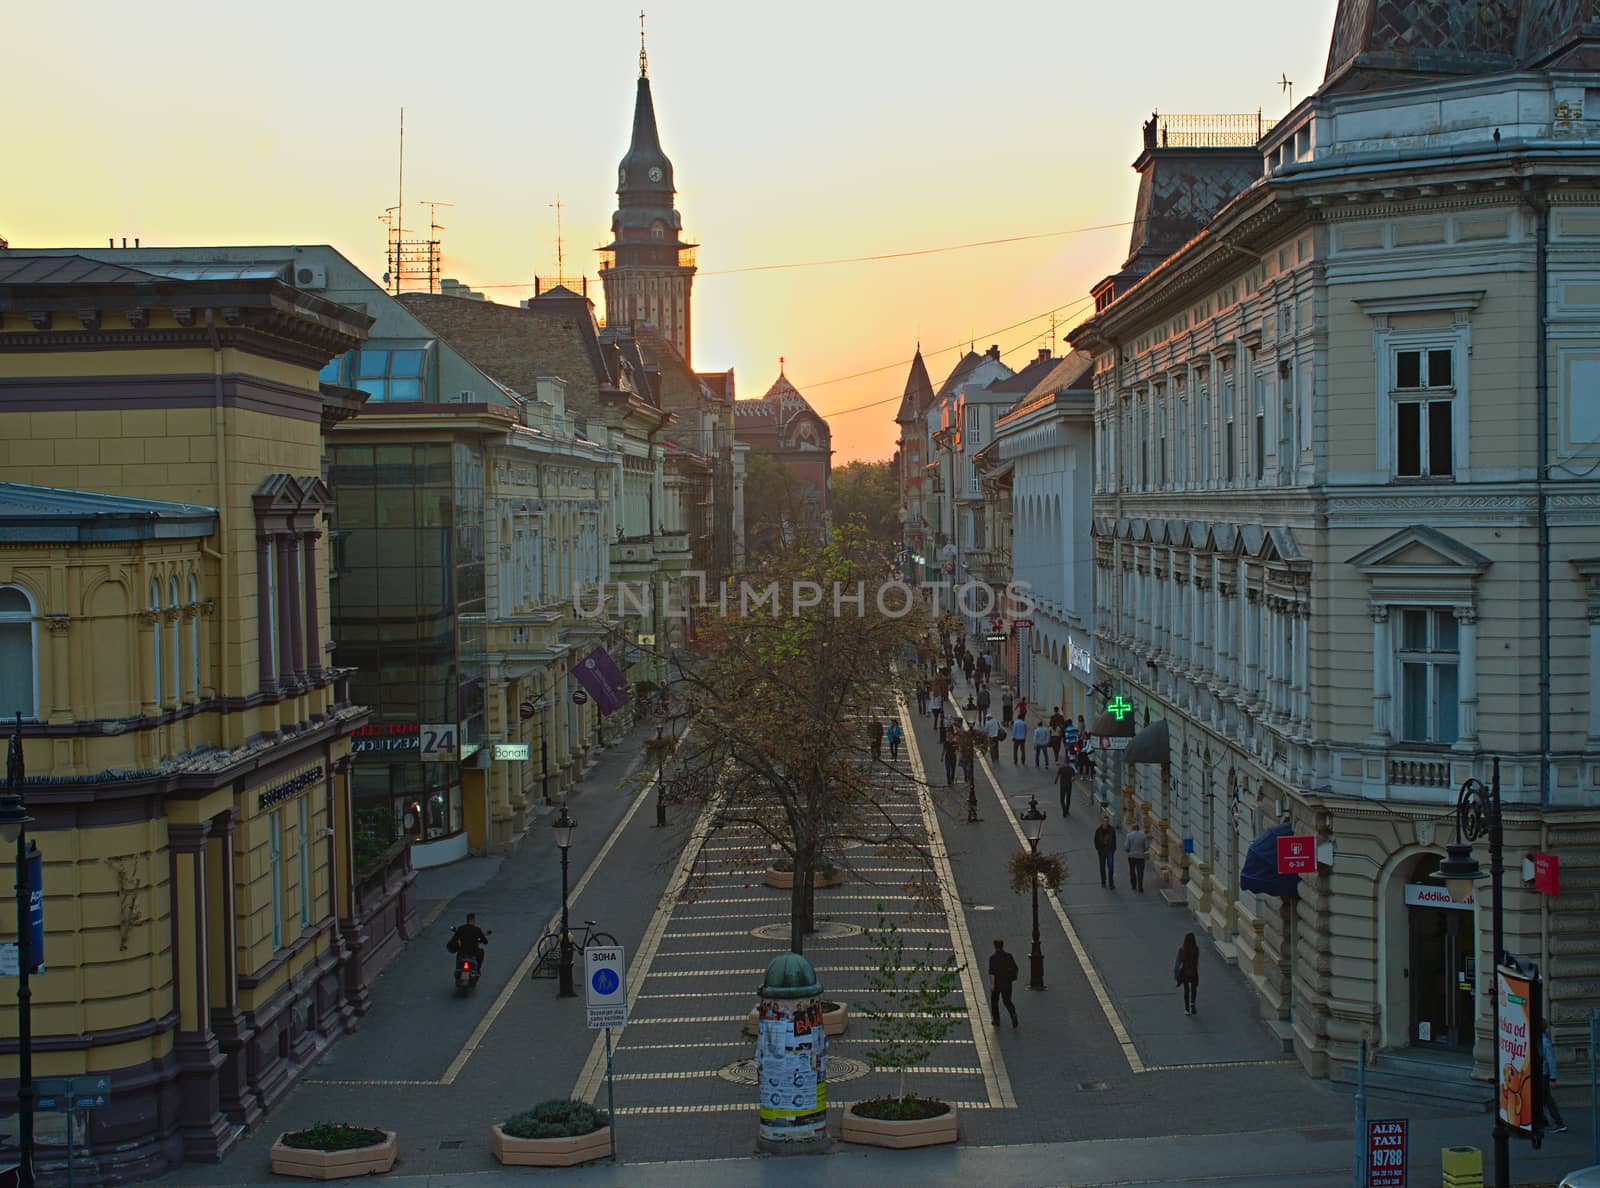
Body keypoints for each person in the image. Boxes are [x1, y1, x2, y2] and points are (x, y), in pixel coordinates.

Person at [988, 938, 1020, 1028]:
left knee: (994, 1001)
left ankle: (996, 1020)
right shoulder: (1009, 956)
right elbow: (1015, 968)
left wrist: (992, 984)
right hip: (1007, 983)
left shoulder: (993, 958)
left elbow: (992, 972)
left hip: (997, 983)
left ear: (994, 946)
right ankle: (1013, 1014)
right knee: (1007, 1001)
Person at [1541, 1027, 1568, 1132]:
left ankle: (1559, 1123)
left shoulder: (1544, 1042)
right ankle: (1544, 1121)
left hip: (1543, 1075)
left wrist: (1553, 1078)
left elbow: (1550, 1060)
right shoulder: (1541, 1041)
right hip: (1541, 1074)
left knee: (1547, 1100)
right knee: (1542, 1099)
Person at [1174, 932, 1200, 1015]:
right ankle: (1192, 1003)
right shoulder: (1196, 949)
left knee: (1186, 990)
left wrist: (1176, 974)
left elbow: (1177, 964)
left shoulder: (1182, 950)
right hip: (1194, 972)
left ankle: (1187, 1010)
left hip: (1185, 972)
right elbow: (1196, 962)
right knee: (1193, 989)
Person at [1093, 815, 1118, 889]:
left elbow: (1114, 840)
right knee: (1102, 867)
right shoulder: (1098, 830)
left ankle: (1111, 883)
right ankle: (1103, 881)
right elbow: (1095, 840)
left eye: (1107, 821)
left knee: (1111, 867)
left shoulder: (1112, 830)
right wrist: (1098, 849)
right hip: (1102, 851)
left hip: (1110, 851)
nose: (1106, 822)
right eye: (1104, 821)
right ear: (1102, 822)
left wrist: (1113, 850)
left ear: (1108, 822)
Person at [1126, 821, 1149, 891]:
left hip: (1132, 856)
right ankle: (1140, 886)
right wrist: (1143, 850)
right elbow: (1147, 846)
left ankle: (1133, 885)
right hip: (1141, 856)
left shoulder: (1129, 835)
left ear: (1133, 828)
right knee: (1140, 872)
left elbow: (1126, 847)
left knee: (1132, 871)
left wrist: (1129, 850)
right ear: (1138, 829)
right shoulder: (1143, 835)